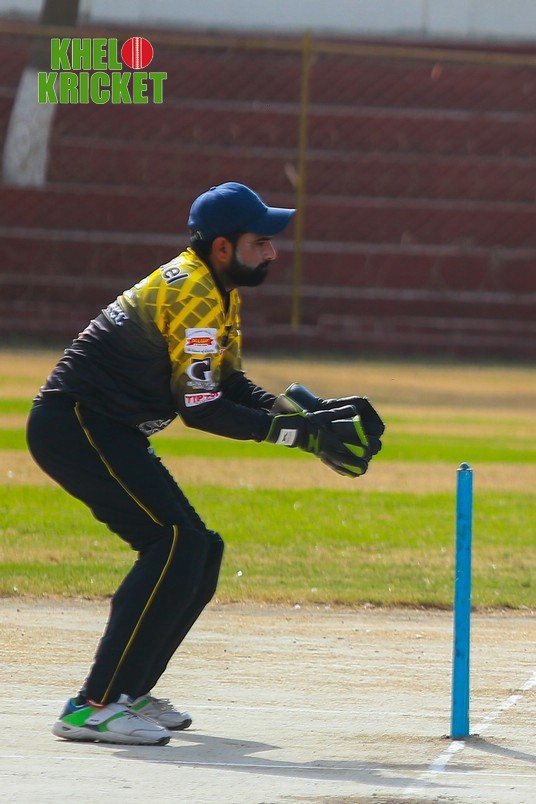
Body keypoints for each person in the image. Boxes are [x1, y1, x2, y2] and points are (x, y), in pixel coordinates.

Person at [26, 182, 384, 746]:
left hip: (107, 428)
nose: (272, 252)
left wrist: (294, 418)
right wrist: (296, 434)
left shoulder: (217, 289)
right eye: (260, 242)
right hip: (76, 425)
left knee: (199, 547)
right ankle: (93, 705)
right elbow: (200, 408)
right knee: (172, 541)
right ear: (223, 246)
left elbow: (227, 384)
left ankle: (128, 693)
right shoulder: (194, 290)